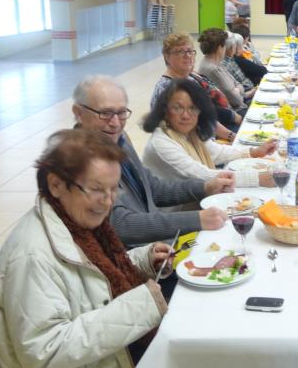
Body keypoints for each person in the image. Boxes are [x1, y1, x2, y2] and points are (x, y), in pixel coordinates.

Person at [0, 129, 173, 368]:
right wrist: (140, 307)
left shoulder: (75, 224)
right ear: (56, 184)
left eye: (114, 189)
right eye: (96, 189)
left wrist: (142, 260)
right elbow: (42, 349)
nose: (108, 201)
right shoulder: (32, 256)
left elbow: (89, 277)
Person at [72, 76, 234, 247]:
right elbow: (122, 225)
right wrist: (197, 219)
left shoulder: (119, 140)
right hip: (137, 254)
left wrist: (205, 187)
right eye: (105, 113)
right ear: (78, 113)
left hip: (159, 242)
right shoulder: (79, 161)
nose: (115, 123)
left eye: (121, 113)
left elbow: (154, 188)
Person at [143, 79, 276, 187]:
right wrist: (257, 179)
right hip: (180, 210)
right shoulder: (161, 143)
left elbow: (217, 152)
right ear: (165, 111)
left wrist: (253, 152)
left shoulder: (190, 132)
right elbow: (203, 175)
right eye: (177, 108)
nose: (186, 115)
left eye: (192, 108)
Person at [151, 32, 240, 138]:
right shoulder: (166, 88)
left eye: (190, 51)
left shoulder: (190, 79)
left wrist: (231, 136)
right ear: (167, 57)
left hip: (210, 138)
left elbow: (207, 116)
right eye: (180, 51)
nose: (187, 55)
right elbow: (177, 135)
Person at [197, 28, 253, 114]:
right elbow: (236, 101)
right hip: (236, 111)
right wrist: (236, 90)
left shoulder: (216, 63)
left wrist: (237, 90)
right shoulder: (213, 69)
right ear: (220, 48)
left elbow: (238, 84)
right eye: (224, 46)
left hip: (239, 105)